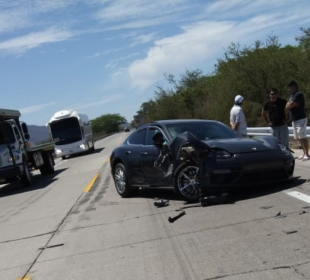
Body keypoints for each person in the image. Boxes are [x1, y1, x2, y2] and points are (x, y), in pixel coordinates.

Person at [286, 80, 309, 160]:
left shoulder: (298, 94)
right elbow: (287, 105)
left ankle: (307, 153)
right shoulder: (291, 95)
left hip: (300, 118)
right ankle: (303, 153)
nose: (290, 89)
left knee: (302, 136)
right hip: (294, 119)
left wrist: (291, 104)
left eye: (291, 87)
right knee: (298, 137)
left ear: (295, 86)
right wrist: (290, 105)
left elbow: (291, 105)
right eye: (289, 87)